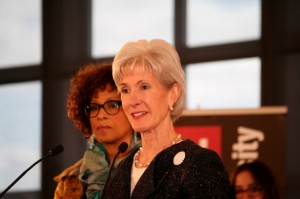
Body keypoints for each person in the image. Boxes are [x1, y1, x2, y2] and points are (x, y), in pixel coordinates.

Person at [101, 39, 231, 198]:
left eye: (144, 87)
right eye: (125, 90)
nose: (133, 100)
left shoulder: (199, 163)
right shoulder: (122, 167)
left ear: (173, 94)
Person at [53, 62, 140, 199]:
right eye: (93, 107)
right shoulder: (71, 180)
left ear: (132, 107)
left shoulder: (154, 163)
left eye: (112, 105)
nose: (100, 115)